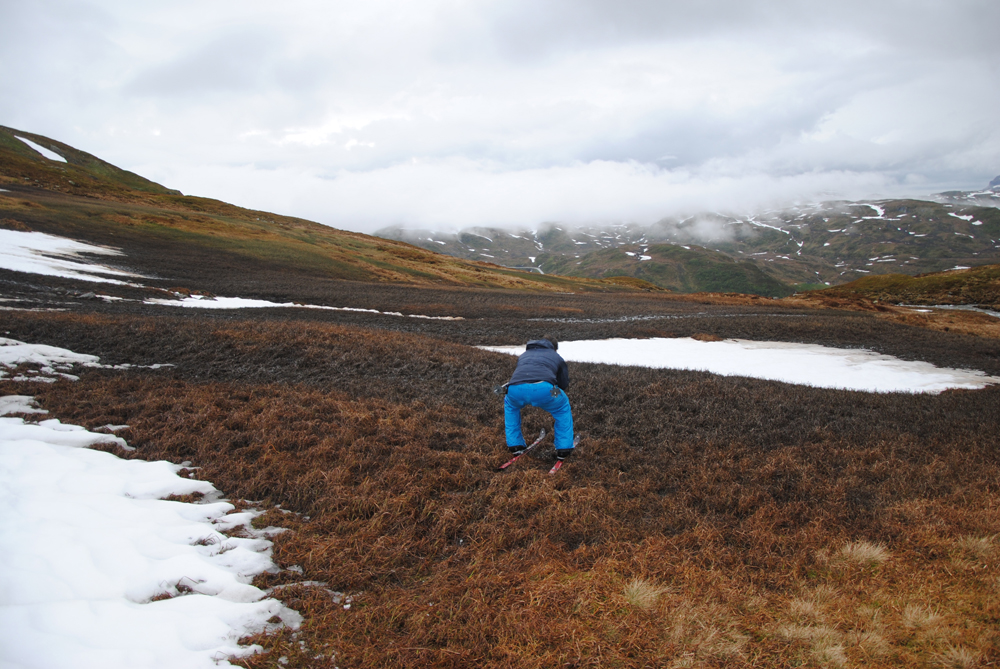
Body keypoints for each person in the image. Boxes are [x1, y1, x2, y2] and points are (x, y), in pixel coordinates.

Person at [504, 335, 575, 462]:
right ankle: (564, 448)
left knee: (510, 406)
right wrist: (554, 392)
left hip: (515, 389)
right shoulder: (556, 356)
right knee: (562, 406)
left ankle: (515, 445)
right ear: (554, 348)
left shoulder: (524, 355)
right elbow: (563, 384)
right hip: (544, 389)